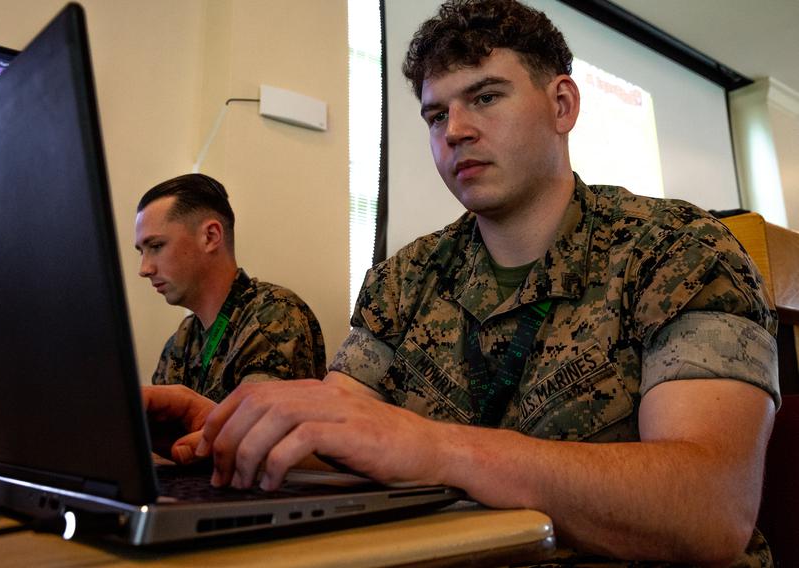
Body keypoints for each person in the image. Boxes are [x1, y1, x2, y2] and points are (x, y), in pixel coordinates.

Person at [143, 2, 780, 565]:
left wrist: (437, 448)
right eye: (434, 114)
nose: (455, 131)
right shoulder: (405, 278)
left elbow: (710, 508)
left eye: (485, 97)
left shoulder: (679, 251)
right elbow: (340, 436)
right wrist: (241, 427)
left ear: (563, 105)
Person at [135, 173, 327, 459]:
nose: (145, 268)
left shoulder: (274, 315)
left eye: (156, 246)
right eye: (141, 251)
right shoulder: (182, 341)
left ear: (211, 236)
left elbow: (256, 441)